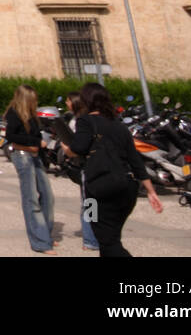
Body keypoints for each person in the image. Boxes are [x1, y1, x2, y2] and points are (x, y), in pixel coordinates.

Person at [66, 82, 163, 256]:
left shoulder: (85, 121)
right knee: (110, 238)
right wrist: (150, 191)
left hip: (98, 189)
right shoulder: (120, 126)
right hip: (127, 189)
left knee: (106, 240)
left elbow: (79, 148)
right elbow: (136, 161)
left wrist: (67, 149)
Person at [4, 84, 57, 254]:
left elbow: (37, 135)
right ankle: (40, 241)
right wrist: (34, 143)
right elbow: (10, 136)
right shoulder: (14, 113)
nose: (35, 101)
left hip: (35, 156)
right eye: (32, 98)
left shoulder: (32, 115)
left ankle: (45, 233)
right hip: (22, 156)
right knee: (31, 198)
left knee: (48, 195)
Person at [66, 90, 98, 252]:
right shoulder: (80, 120)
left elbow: (78, 147)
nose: (66, 103)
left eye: (68, 101)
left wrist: (68, 149)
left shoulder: (80, 122)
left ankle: (91, 238)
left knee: (89, 202)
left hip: (87, 165)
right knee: (89, 202)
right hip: (87, 166)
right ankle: (90, 238)